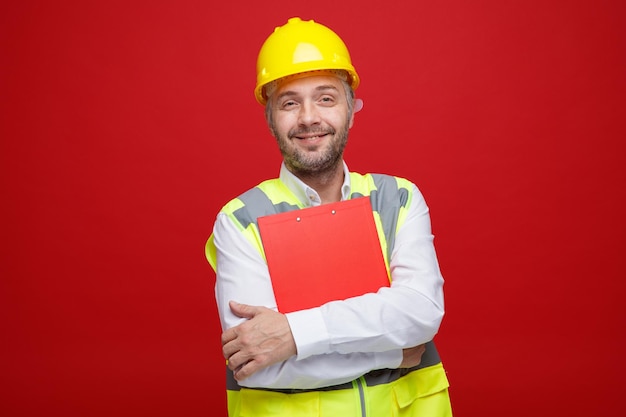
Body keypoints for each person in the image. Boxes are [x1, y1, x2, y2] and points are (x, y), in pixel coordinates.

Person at [205, 17, 453, 417]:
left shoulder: (399, 199)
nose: (308, 118)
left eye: (326, 98)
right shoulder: (240, 221)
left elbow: (420, 313)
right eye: (289, 102)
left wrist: (293, 334)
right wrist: (391, 350)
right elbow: (256, 363)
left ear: (351, 111)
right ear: (270, 119)